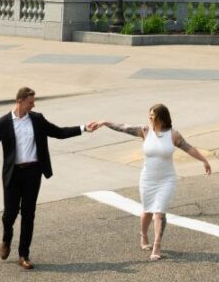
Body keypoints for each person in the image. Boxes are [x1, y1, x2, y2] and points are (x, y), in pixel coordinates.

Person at [0, 86, 93, 269]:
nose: (33, 105)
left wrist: (83, 128)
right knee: (9, 214)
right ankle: (7, 239)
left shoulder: (37, 119)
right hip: (13, 175)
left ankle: (24, 255)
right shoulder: (2, 123)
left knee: (28, 214)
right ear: (20, 101)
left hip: (33, 173)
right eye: (31, 102)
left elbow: (58, 132)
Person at [88, 104, 211, 260]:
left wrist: (204, 160)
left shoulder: (173, 135)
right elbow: (123, 127)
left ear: (161, 117)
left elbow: (189, 148)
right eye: (149, 115)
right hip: (148, 179)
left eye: (153, 115)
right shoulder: (145, 131)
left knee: (159, 212)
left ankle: (157, 245)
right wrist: (104, 122)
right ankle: (143, 234)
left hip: (167, 179)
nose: (150, 117)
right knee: (147, 211)